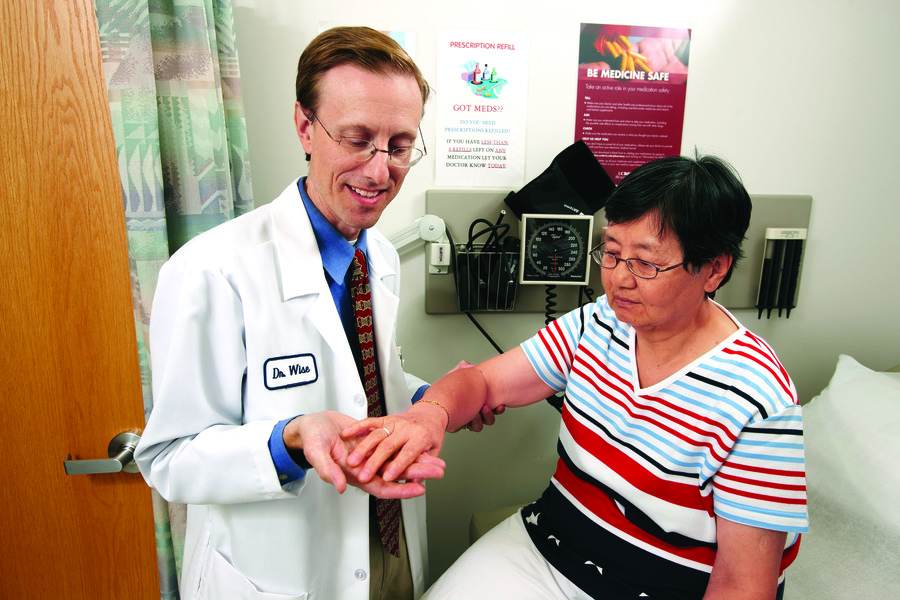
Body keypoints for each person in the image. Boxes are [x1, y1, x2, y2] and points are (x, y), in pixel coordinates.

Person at [345, 154, 809, 600]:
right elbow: (484, 382)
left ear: (714, 268)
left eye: (645, 263)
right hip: (550, 546)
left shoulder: (757, 397)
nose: (618, 279)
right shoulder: (601, 322)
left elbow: (743, 586)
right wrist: (429, 415)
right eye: (610, 252)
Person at [135, 26, 452, 600]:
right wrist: (291, 441)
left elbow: (357, 382)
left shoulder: (377, 255)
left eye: (400, 145)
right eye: (358, 139)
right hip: (280, 570)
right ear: (306, 127)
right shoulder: (212, 270)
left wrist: (430, 397)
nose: (381, 172)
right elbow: (170, 458)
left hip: (388, 542)